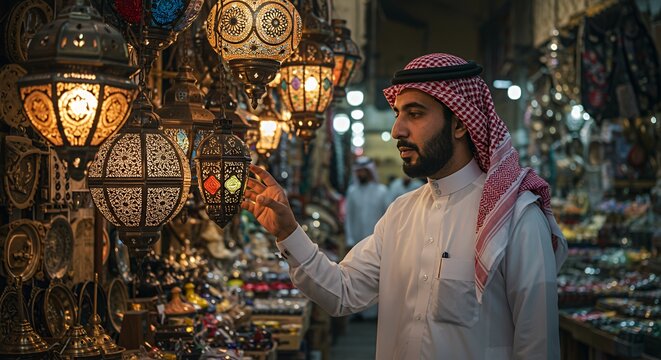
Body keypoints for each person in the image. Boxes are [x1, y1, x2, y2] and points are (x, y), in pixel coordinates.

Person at [242, 53, 568, 359]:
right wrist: (287, 231)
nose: (397, 130)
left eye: (415, 114)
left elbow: (537, 347)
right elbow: (342, 292)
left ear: (459, 123)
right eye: (398, 115)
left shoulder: (516, 218)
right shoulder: (401, 214)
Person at [344, 156, 390, 248]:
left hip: (377, 241)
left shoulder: (382, 191)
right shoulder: (352, 191)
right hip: (357, 242)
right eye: (358, 171)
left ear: (369, 171)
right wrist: (349, 238)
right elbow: (349, 216)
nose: (359, 174)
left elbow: (388, 217)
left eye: (362, 171)